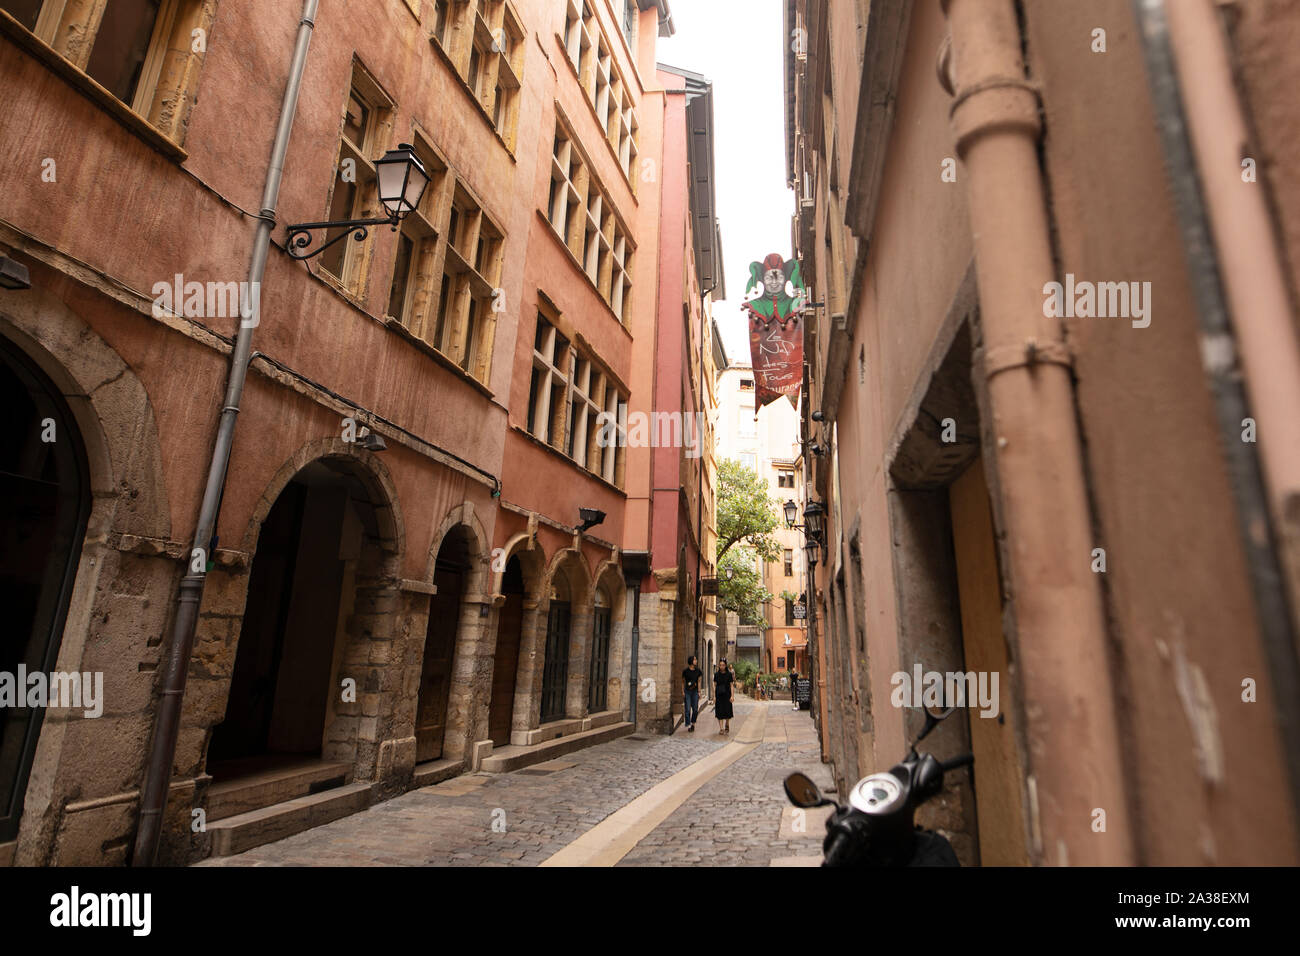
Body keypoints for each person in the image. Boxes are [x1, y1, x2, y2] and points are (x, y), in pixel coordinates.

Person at [681, 655, 703, 733]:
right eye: (695, 659)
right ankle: (689, 724)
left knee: (695, 709)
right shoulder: (685, 671)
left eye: (696, 659)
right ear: (691, 661)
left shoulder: (698, 671)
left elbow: (699, 682)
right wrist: (682, 691)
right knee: (687, 709)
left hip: (695, 692)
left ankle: (693, 723)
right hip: (687, 691)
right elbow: (683, 682)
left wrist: (699, 692)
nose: (696, 661)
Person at [714, 658, 734, 734]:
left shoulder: (729, 675)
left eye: (723, 665)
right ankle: (721, 728)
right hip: (719, 695)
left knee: (727, 711)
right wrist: (714, 696)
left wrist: (732, 696)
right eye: (720, 665)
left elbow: (731, 685)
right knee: (719, 711)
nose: (721, 667)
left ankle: (727, 723)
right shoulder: (716, 675)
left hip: (727, 695)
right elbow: (714, 686)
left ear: (725, 665)